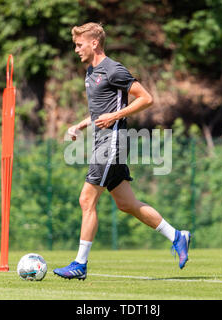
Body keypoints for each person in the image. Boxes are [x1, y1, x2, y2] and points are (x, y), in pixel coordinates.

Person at [53, 22, 191, 281]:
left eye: (79, 44)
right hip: (101, 140)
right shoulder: (90, 72)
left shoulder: (113, 69)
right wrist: (80, 125)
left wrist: (115, 116)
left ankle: (79, 264)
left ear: (94, 43)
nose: (76, 50)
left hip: (112, 143)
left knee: (86, 200)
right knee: (127, 204)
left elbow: (146, 98)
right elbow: (100, 110)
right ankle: (177, 236)